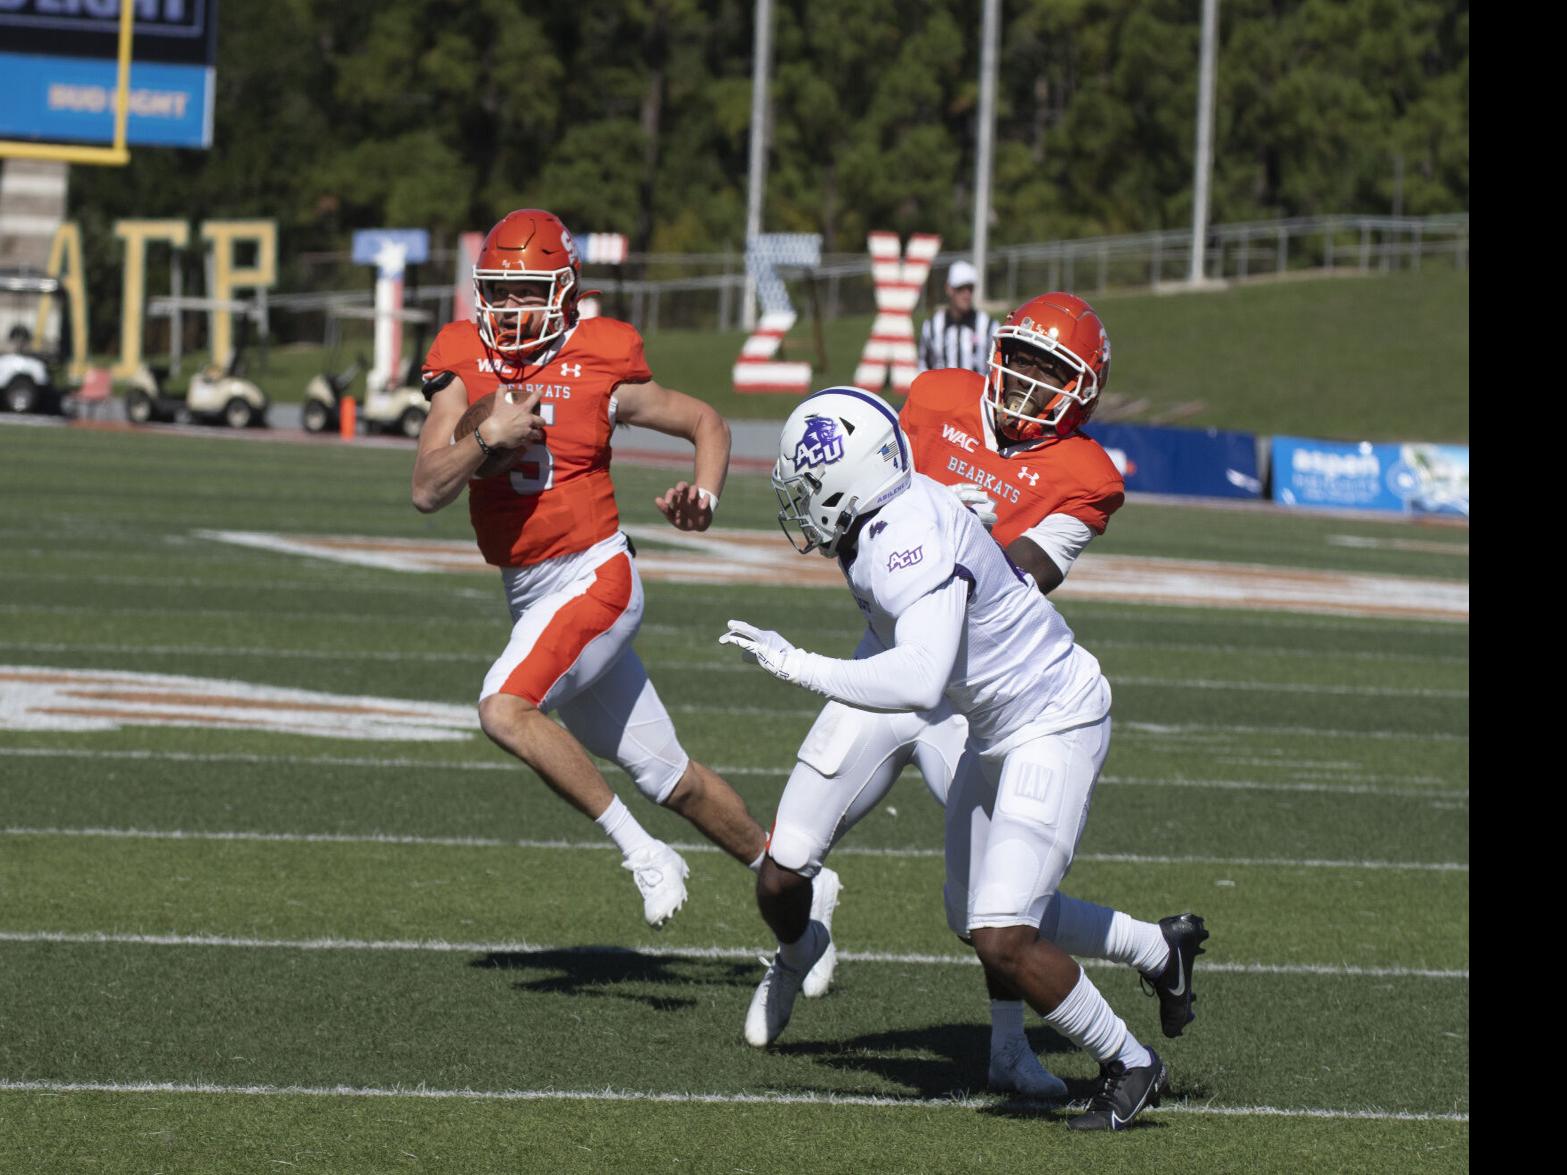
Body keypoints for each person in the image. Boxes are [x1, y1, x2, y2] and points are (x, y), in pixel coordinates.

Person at [738, 295, 1207, 1100]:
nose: (1025, 379)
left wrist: (959, 536)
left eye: (1048, 371)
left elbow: (1021, 576)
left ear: (1081, 390)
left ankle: (1008, 1048)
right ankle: (796, 947)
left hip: (973, 690)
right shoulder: (934, 399)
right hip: (888, 661)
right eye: (1019, 358)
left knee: (990, 908)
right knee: (781, 873)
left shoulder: (1085, 475)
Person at [411, 208, 840, 946]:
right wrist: (486, 435)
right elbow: (426, 487)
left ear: (566, 290)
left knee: (503, 707)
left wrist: (703, 494)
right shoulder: (461, 355)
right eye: (498, 291)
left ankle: (641, 851)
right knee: (669, 775)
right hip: (530, 593)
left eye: (527, 291)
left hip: (595, 573)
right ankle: (800, 884)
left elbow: (707, 421)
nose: (509, 308)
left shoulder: (602, 355)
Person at [916, 260, 997, 375]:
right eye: (961, 288)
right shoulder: (931, 327)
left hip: (978, 392)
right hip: (941, 391)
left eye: (970, 288)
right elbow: (923, 366)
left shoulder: (989, 326)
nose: (967, 295)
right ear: (949, 289)